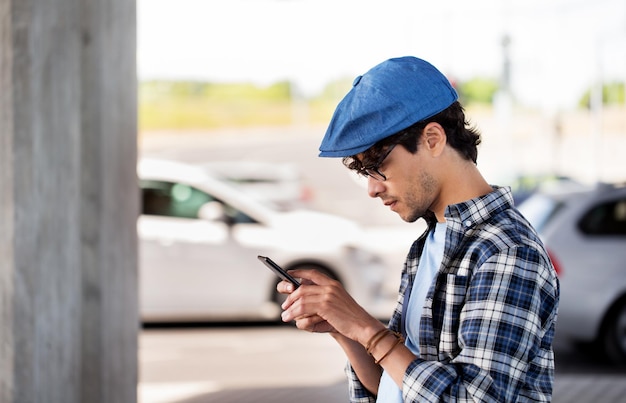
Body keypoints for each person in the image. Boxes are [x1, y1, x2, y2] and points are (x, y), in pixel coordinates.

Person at [277, 56, 560, 402]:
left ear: (432, 139)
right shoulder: (430, 243)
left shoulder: (505, 251)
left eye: (378, 166)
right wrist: (343, 328)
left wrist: (367, 329)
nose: (372, 188)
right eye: (364, 173)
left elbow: (475, 398)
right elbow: (398, 381)